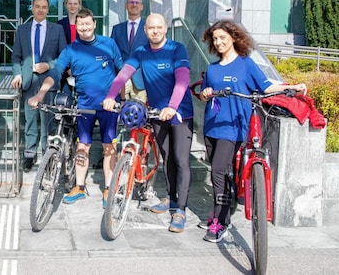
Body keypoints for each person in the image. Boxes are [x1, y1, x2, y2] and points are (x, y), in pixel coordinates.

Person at [197, 20, 307, 242]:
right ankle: (220, 212)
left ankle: (220, 222)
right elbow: (202, 94)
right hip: (212, 126)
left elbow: (267, 87)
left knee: (218, 171)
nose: (218, 42)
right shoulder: (212, 68)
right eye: (215, 39)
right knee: (220, 171)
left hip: (234, 126)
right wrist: (205, 92)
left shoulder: (246, 65)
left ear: (234, 38)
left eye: (222, 38)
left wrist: (291, 87)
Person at [103, 13, 194, 233]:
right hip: (156, 113)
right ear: (145, 31)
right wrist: (110, 96)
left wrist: (172, 106)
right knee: (166, 158)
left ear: (165, 29)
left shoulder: (176, 48)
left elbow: (183, 80)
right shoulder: (141, 52)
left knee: (181, 160)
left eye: (159, 27)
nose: (155, 31)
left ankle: (180, 209)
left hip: (179, 112)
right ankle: (171, 199)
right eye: (151, 28)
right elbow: (124, 74)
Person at [28, 8, 124, 207]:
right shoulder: (71, 50)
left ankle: (108, 188)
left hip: (108, 106)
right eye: (80, 24)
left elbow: (121, 72)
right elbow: (55, 73)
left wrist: (121, 100)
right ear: (76, 26)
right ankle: (79, 187)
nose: (84, 27)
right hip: (84, 106)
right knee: (83, 147)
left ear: (94, 23)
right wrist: (40, 94)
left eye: (88, 23)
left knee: (109, 148)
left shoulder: (109, 44)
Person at [12, 0, 67, 172]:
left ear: (48, 9)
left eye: (44, 7)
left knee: (47, 121)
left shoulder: (57, 29)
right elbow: (16, 57)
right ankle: (29, 154)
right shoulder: (22, 29)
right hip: (28, 80)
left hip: (48, 81)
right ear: (32, 8)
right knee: (29, 120)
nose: (41, 10)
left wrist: (49, 65)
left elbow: (64, 57)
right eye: (37, 6)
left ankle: (46, 155)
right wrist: (17, 74)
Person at [110, 0, 149, 102]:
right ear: (126, 6)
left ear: (141, 7)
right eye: (131, 2)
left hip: (141, 80)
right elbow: (112, 53)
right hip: (122, 80)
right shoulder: (117, 29)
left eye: (137, 2)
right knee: (121, 113)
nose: (134, 5)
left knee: (140, 113)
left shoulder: (149, 28)